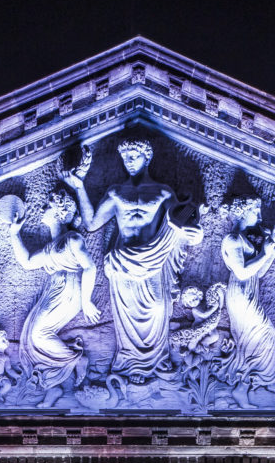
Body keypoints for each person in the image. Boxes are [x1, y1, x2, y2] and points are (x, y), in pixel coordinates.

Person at [66, 138, 202, 379]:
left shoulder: (162, 192)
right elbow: (92, 223)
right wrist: (79, 187)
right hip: (123, 262)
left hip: (154, 259)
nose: (128, 161)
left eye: (134, 156)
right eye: (125, 157)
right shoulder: (116, 192)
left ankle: (158, 360)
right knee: (126, 318)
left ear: (147, 158)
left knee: (158, 309)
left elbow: (181, 222)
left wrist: (195, 232)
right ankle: (128, 364)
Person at [6, 183, 101, 406]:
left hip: (69, 290)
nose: (44, 209)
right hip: (56, 289)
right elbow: (28, 262)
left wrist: (86, 301)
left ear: (60, 212)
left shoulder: (72, 240)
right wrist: (14, 234)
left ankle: (76, 359)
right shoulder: (52, 246)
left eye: (49, 205)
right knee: (32, 335)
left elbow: (90, 267)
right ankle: (55, 376)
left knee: (39, 334)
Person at [219, 190, 275, 406]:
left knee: (254, 338)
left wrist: (271, 251)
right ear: (242, 212)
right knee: (264, 332)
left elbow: (258, 272)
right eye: (255, 212)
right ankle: (263, 381)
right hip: (240, 293)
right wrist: (265, 253)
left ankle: (250, 385)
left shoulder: (244, 238)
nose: (260, 218)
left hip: (250, 291)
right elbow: (242, 272)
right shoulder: (232, 240)